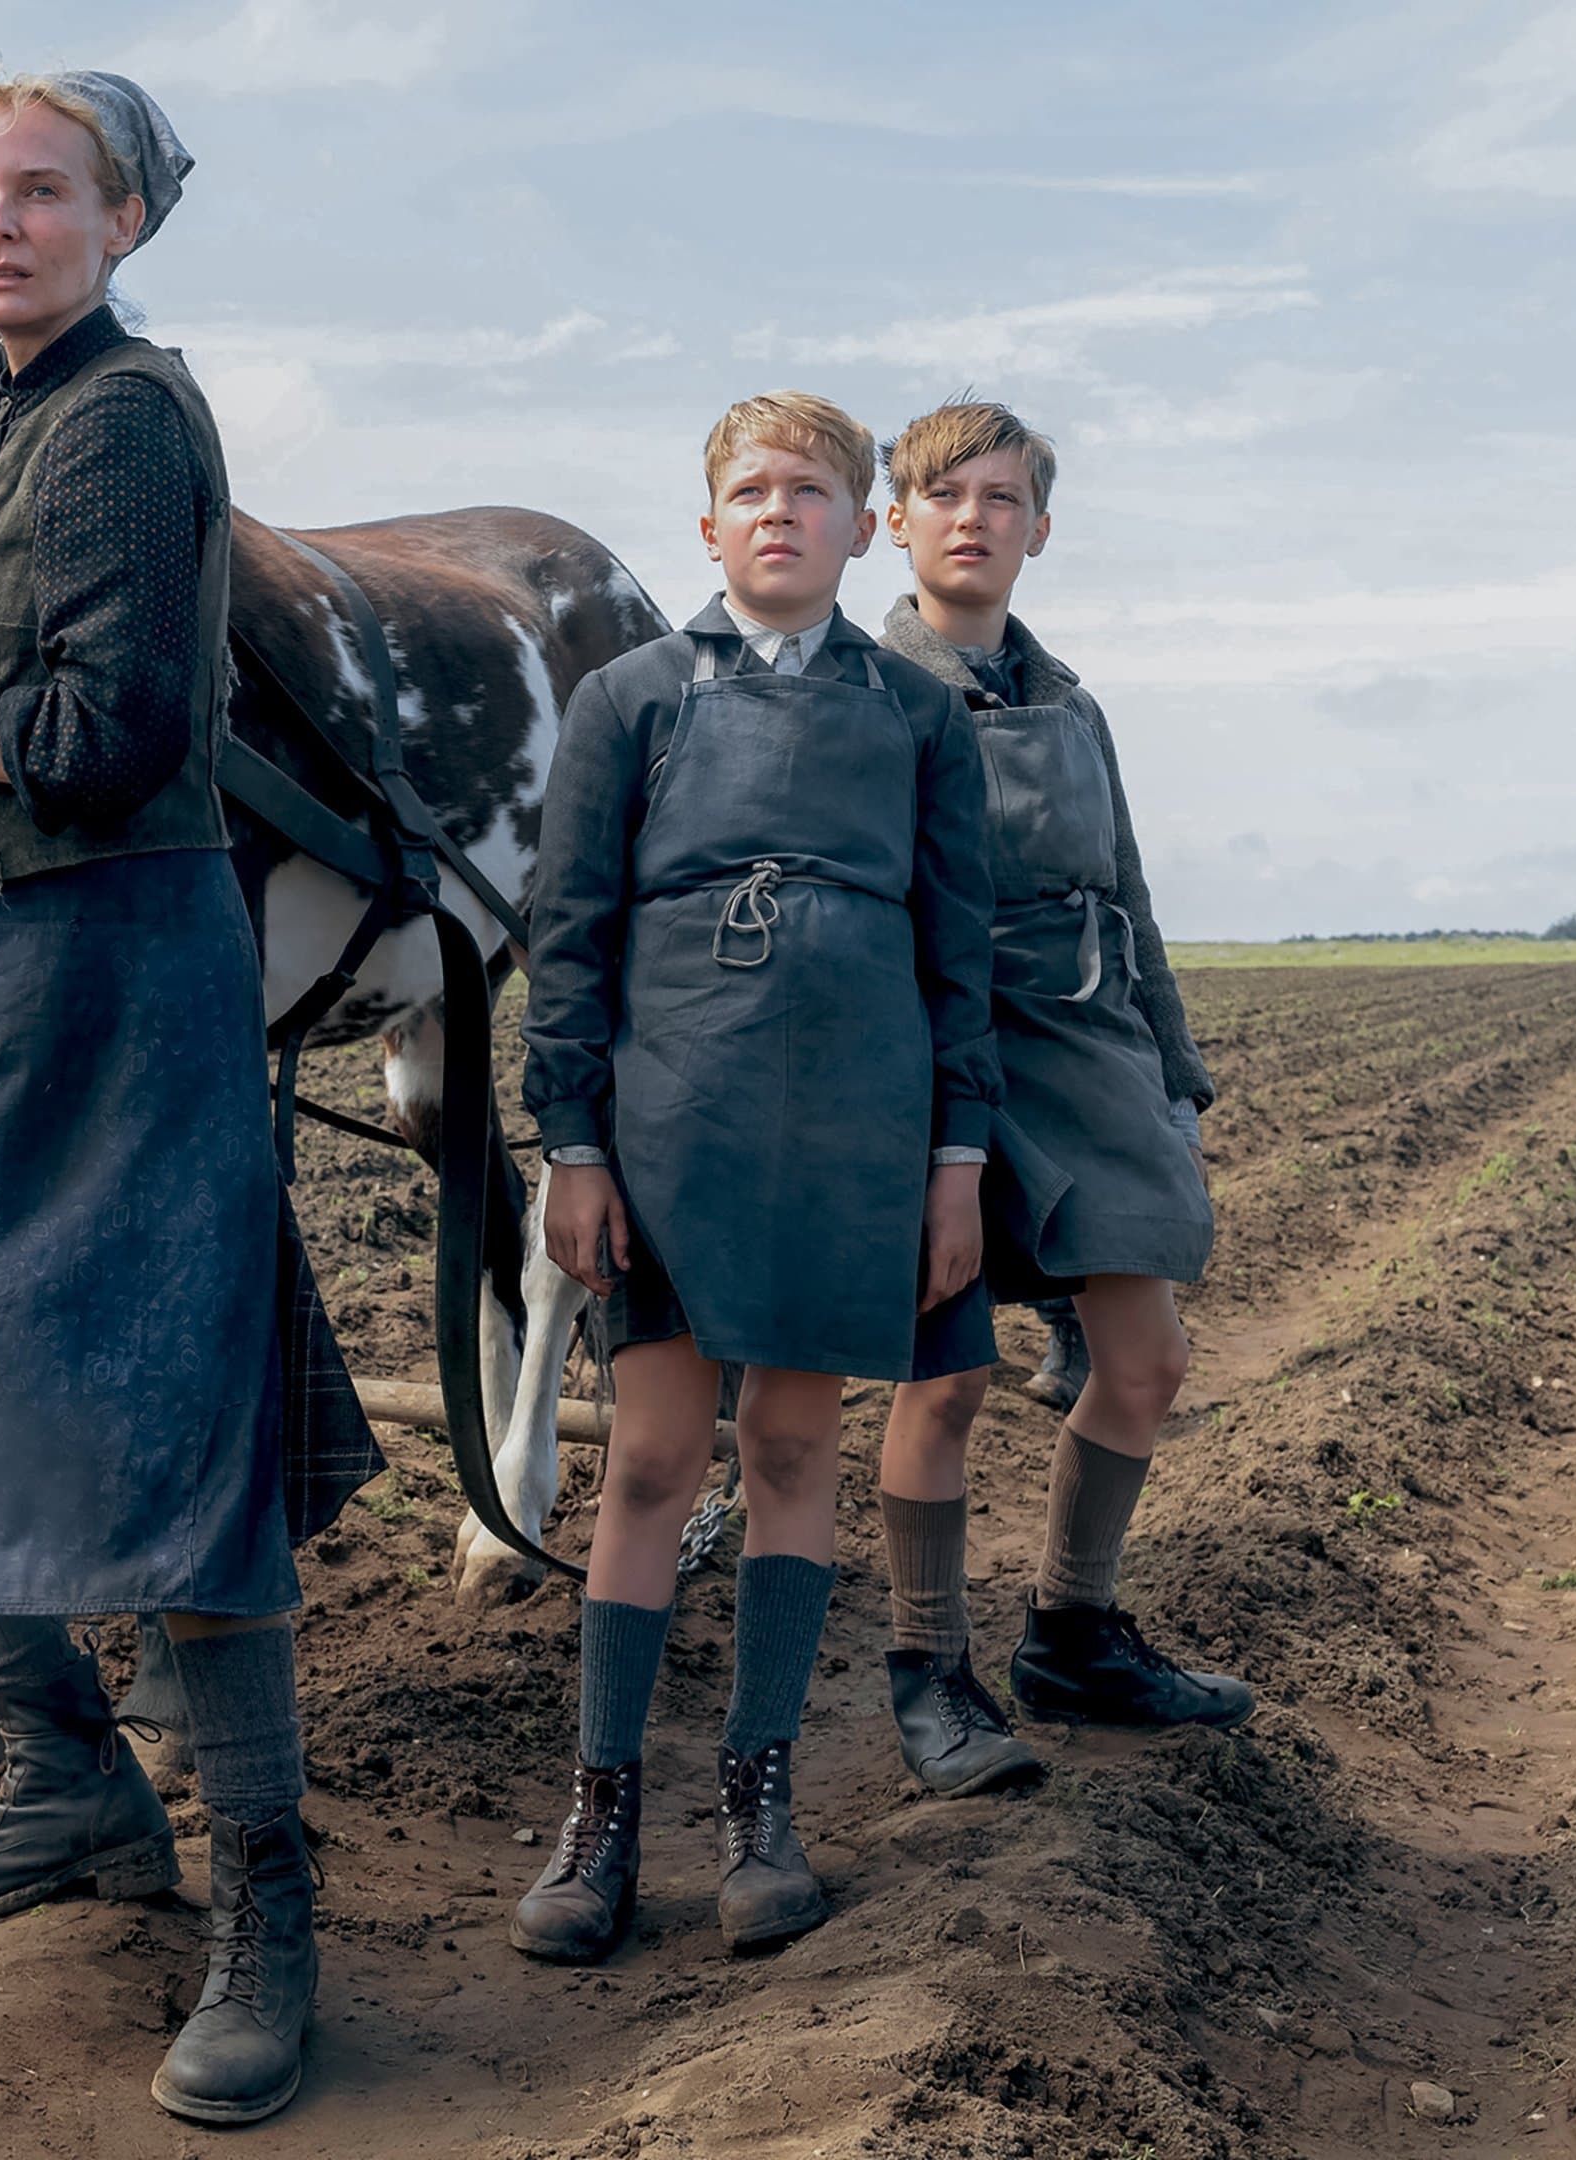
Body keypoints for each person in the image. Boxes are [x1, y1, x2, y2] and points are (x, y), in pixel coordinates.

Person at [0, 72, 371, 2127]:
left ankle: (268, 1924)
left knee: (181, 1454)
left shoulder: (120, 417)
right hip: (10, 967)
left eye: (43, 193)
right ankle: (67, 1783)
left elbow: (105, 736)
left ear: (125, 219)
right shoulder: (21, 418)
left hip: (120, 956)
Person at [505, 393, 999, 1963]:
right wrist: (572, 1143)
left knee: (793, 1450)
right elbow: (566, 938)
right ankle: (600, 1821)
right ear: (706, 527)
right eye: (748, 491)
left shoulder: (916, 718)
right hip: (674, 1120)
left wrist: (955, 1166)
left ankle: (759, 1799)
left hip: (859, 1123)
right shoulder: (632, 701)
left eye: (811, 491)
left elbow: (959, 959)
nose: (779, 512)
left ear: (864, 528)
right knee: (651, 1462)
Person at [864, 400, 1247, 1804]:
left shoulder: (1073, 704)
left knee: (1142, 1362)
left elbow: (1129, 896)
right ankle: (927, 1671)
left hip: (1084, 1052)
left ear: (1041, 527)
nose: (974, 516)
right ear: (893, 521)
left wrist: (1175, 1070)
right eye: (944, 493)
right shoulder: (864, 691)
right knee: (947, 1377)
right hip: (936, 1052)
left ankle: (1073, 1636)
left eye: (1004, 496)